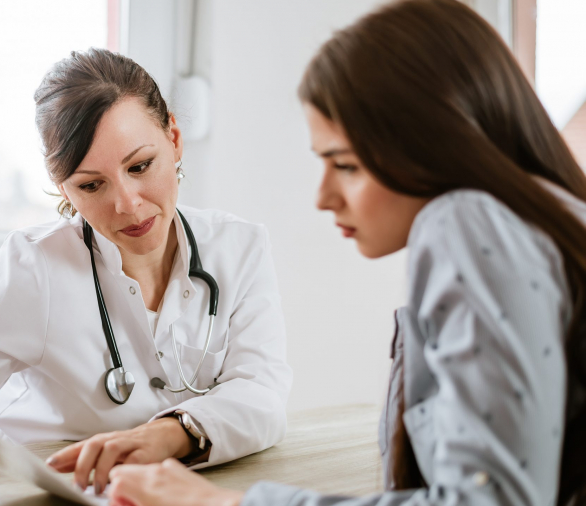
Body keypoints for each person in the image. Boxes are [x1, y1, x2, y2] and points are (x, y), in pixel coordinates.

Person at [104, 1, 586, 505]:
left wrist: (225, 503)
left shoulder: (465, 220)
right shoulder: (552, 217)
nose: (324, 197)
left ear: (436, 141)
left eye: (346, 165)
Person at [0, 48, 292, 495]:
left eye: (140, 166)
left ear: (174, 138)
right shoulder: (36, 267)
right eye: (90, 185)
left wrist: (170, 433)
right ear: (63, 187)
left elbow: (264, 394)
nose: (128, 204)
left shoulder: (240, 247)